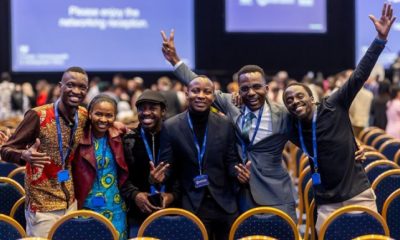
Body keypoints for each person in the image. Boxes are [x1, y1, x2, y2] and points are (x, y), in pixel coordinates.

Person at [282, 3, 396, 232]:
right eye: (289, 101)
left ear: (311, 97)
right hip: (325, 202)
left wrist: (380, 40)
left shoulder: (334, 104)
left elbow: (359, 75)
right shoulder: (292, 127)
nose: (295, 102)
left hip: (359, 194)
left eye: (299, 97)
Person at [161, 30, 297, 221]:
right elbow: (200, 86)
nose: (251, 92)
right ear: (238, 90)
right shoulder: (231, 104)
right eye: (245, 88)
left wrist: (353, 147)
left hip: (276, 193)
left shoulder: (283, 115)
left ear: (266, 88)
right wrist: (174, 59)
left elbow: (307, 138)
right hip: (241, 192)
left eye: (256, 87)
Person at [1, 67, 89, 237]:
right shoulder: (37, 115)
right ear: (60, 87)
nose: (76, 91)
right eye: (70, 85)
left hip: (70, 201)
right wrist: (23, 155)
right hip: (42, 206)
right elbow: (5, 150)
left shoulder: (84, 116)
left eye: (82, 87)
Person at [158, 76, 239, 240]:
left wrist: (239, 173)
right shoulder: (171, 126)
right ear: (186, 93)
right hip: (191, 202)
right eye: (195, 90)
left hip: (224, 203)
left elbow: (231, 161)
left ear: (213, 97)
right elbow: (168, 167)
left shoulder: (226, 124)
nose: (201, 95)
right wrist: (158, 178)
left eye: (207, 92)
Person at [72, 94, 129, 240]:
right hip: (86, 205)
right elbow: (65, 169)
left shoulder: (120, 136)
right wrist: (59, 180)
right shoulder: (77, 138)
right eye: (98, 114)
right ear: (90, 114)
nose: (103, 119)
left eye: (109, 115)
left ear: (115, 117)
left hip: (115, 205)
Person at [120, 90, 176, 238]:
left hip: (171, 212)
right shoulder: (128, 139)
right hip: (137, 212)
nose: (146, 113)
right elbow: (121, 176)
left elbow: (185, 173)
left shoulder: (175, 137)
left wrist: (172, 195)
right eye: (141, 108)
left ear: (163, 111)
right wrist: (135, 194)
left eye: (152, 108)